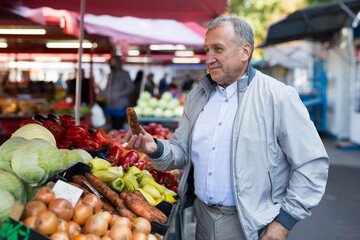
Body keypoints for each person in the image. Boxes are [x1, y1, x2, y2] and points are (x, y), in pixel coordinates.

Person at [125, 15, 329, 240]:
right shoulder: (198, 95)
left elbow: (312, 164)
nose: (209, 59)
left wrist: (284, 222)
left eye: (218, 49)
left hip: (252, 227)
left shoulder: (278, 97)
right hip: (202, 218)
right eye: (207, 50)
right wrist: (155, 147)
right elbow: (181, 151)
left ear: (245, 51)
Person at [105, 55, 134, 130]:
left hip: (120, 105)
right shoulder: (110, 74)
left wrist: (119, 94)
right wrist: (105, 94)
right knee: (112, 126)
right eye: (111, 62)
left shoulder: (125, 74)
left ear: (119, 63)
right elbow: (107, 87)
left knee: (119, 126)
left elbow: (131, 87)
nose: (113, 64)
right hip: (110, 104)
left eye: (114, 62)